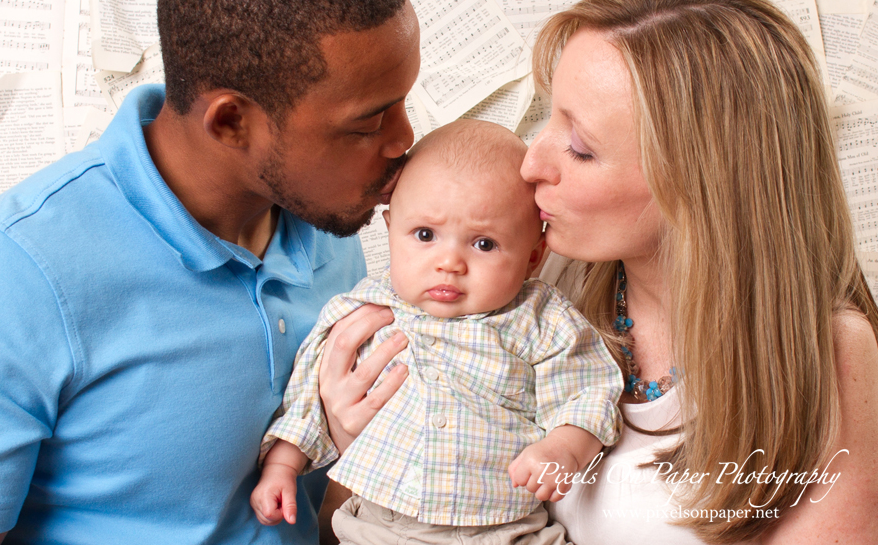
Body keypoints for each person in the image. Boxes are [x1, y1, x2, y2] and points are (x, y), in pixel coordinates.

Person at [319, 0, 878, 543]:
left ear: (701, 187)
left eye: (580, 148)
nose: (531, 162)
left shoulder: (828, 355)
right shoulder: (535, 282)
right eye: (547, 119)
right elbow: (343, 528)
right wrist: (356, 436)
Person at [0, 0, 419, 543]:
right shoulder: (13, 270)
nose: (405, 140)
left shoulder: (330, 214)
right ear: (230, 121)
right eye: (368, 123)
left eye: (403, 103)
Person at [251, 120, 623, 544]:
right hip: (379, 525)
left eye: (484, 244)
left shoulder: (538, 319)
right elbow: (307, 394)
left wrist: (563, 448)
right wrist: (282, 466)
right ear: (390, 231)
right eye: (425, 234)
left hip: (504, 527)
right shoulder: (361, 309)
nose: (450, 262)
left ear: (534, 256)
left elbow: (589, 390)